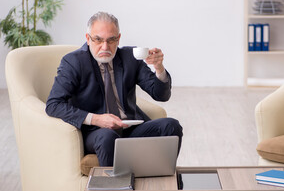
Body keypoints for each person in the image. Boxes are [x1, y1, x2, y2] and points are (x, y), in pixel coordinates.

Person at [46, 11, 183, 166]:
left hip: (131, 128)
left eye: (111, 40)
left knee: (171, 126)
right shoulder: (73, 62)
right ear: (88, 38)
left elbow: (161, 95)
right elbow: (53, 104)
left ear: (118, 38)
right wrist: (96, 119)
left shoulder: (130, 57)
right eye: (98, 40)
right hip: (97, 132)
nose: (105, 47)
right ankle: (115, 189)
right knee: (107, 137)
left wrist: (158, 68)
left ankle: (159, 179)